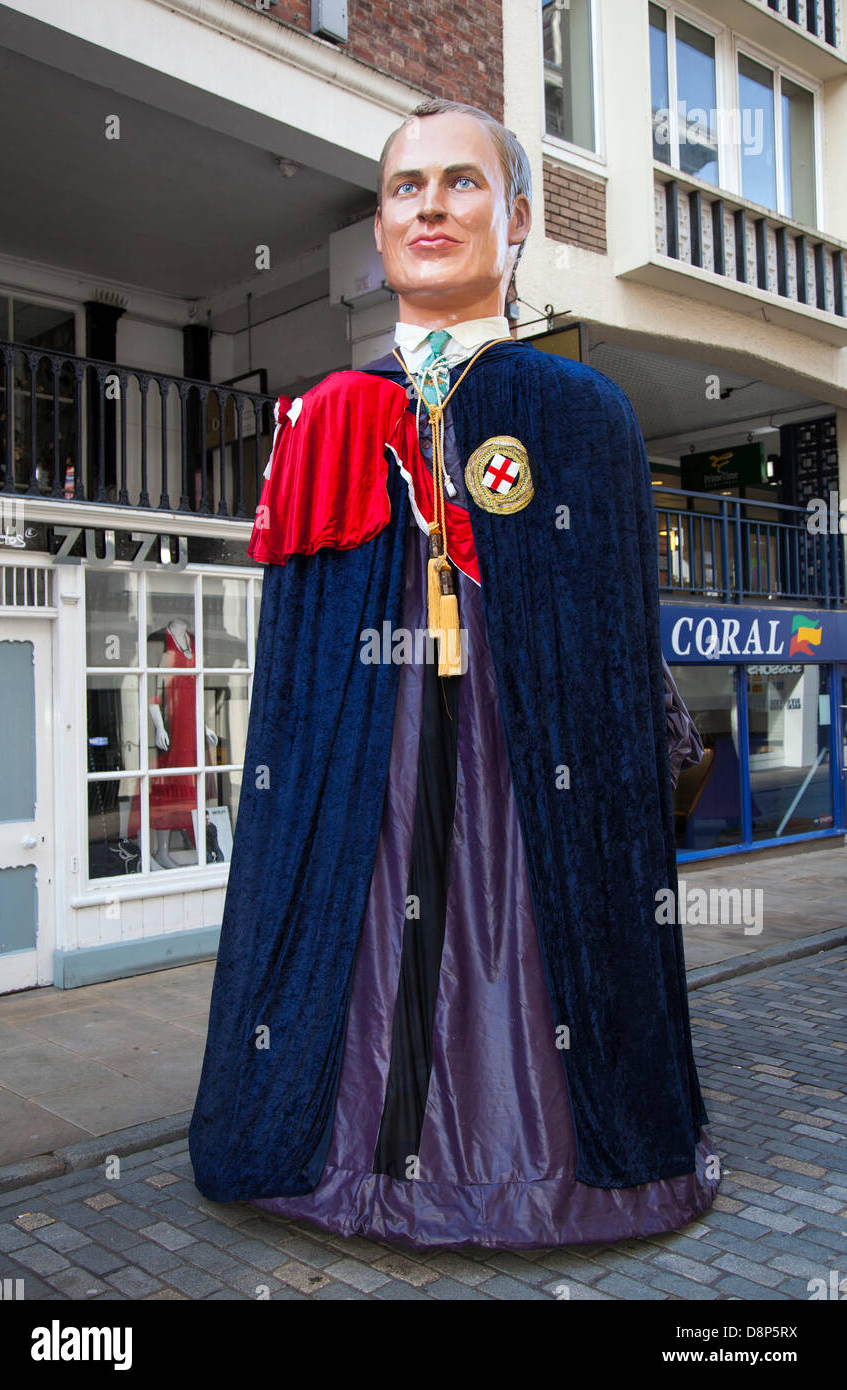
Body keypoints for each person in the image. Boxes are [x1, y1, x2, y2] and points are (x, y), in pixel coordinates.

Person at [188, 98, 720, 1248]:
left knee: (527, 931)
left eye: (460, 183)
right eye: (403, 187)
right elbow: (293, 680)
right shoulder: (326, 418)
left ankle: (545, 1166)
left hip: (534, 779)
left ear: (516, 217)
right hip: (366, 785)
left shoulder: (584, 417)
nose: (428, 205)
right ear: (378, 234)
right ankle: (341, 1154)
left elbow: (614, 651)